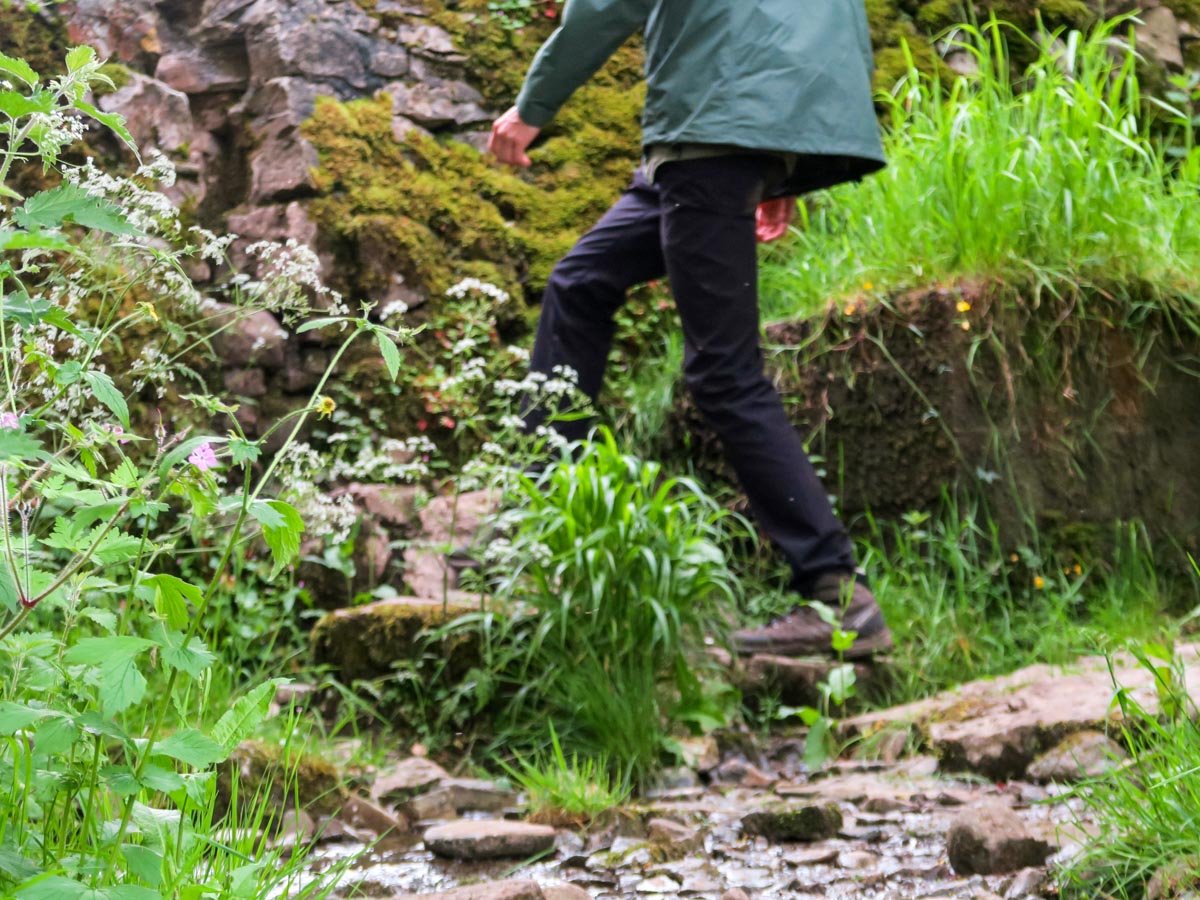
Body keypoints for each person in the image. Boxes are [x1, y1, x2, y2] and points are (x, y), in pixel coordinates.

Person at [487, 0, 892, 659]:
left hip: (714, 126)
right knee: (579, 283)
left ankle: (837, 592)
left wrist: (531, 108)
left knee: (724, 372)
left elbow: (605, 4)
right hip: (734, 128)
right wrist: (776, 156)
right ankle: (548, 516)